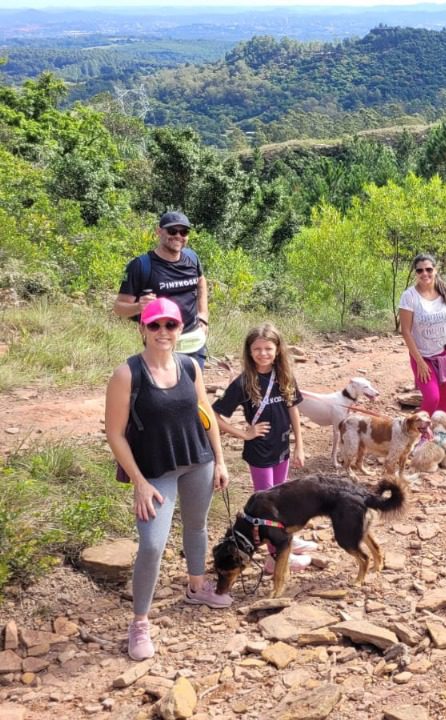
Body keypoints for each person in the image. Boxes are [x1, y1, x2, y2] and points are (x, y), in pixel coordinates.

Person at [104, 298, 231, 661]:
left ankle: (196, 586)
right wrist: (139, 482)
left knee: (197, 526)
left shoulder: (190, 366)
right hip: (154, 470)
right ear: (142, 329)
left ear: (180, 331)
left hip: (197, 460)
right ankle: (140, 621)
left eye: (170, 325)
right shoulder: (127, 374)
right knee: (152, 544)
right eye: (155, 325)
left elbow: (205, 413)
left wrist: (220, 460)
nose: (163, 332)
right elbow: (115, 434)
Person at [212, 322, 313, 573]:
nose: (263, 354)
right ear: (249, 351)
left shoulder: (284, 376)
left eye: (268, 348)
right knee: (266, 507)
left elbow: (293, 409)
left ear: (278, 350)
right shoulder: (244, 381)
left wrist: (299, 445)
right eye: (257, 349)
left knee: (282, 500)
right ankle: (275, 557)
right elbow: (215, 415)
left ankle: (284, 540)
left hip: (282, 448)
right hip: (259, 451)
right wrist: (244, 433)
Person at [114, 210, 210, 367]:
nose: (178, 236)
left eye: (184, 232)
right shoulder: (140, 266)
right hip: (161, 342)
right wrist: (139, 306)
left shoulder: (192, 258)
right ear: (159, 231)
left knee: (192, 389)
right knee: (164, 389)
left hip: (193, 340)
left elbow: (201, 281)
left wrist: (203, 315)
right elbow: (119, 308)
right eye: (172, 231)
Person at [398, 253, 446, 417]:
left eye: (429, 269)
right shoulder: (409, 296)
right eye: (420, 270)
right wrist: (420, 362)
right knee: (431, 398)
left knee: (445, 397)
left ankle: (443, 435)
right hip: (424, 356)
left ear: (435, 270)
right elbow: (406, 331)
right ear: (415, 273)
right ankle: (419, 433)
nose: (425, 274)